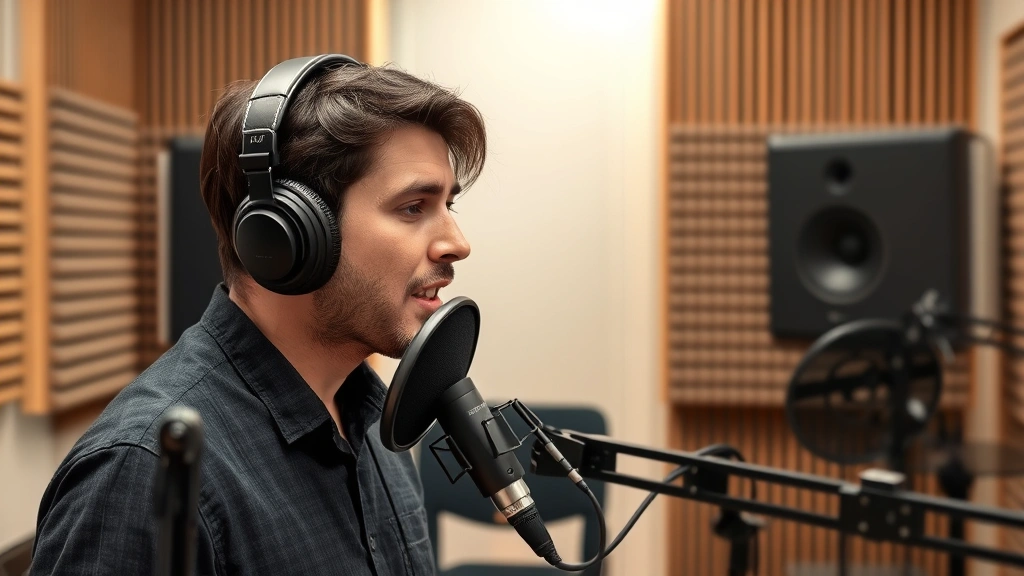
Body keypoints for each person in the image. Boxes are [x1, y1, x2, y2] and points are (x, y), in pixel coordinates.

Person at [30, 55, 486, 575]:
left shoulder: (371, 424)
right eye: (413, 207)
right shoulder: (143, 473)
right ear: (287, 234)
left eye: (450, 205)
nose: (457, 243)